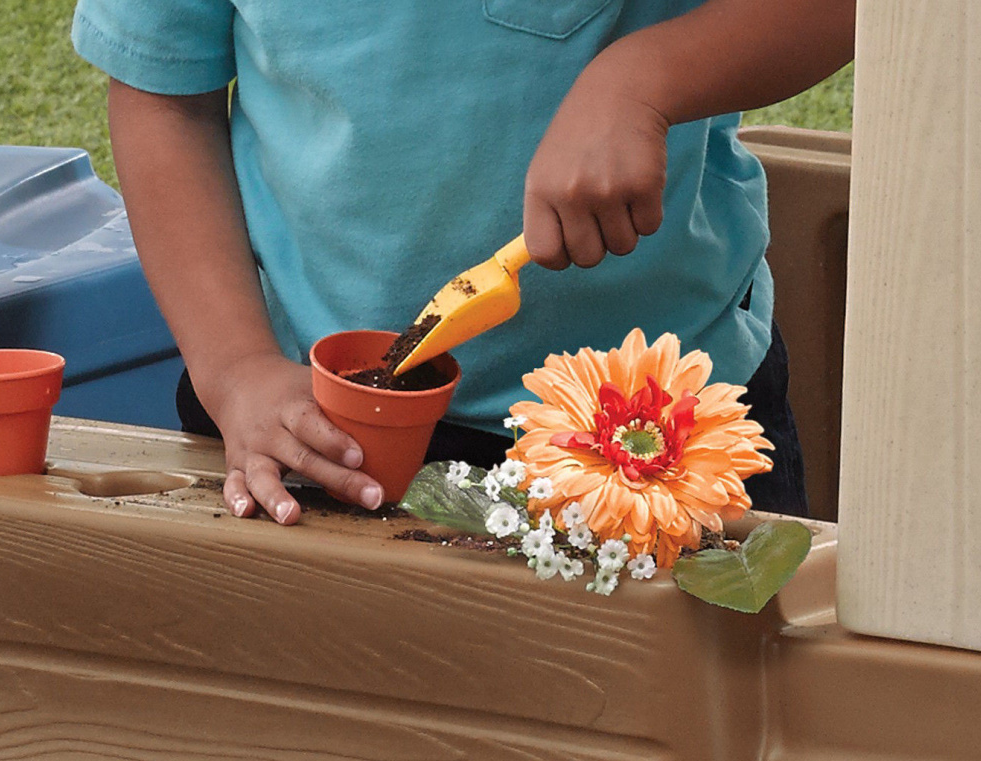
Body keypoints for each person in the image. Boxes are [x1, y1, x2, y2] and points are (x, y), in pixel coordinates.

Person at [73, 0, 854, 525]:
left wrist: (645, 81)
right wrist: (236, 368)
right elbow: (164, 95)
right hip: (297, 425)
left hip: (658, 422)